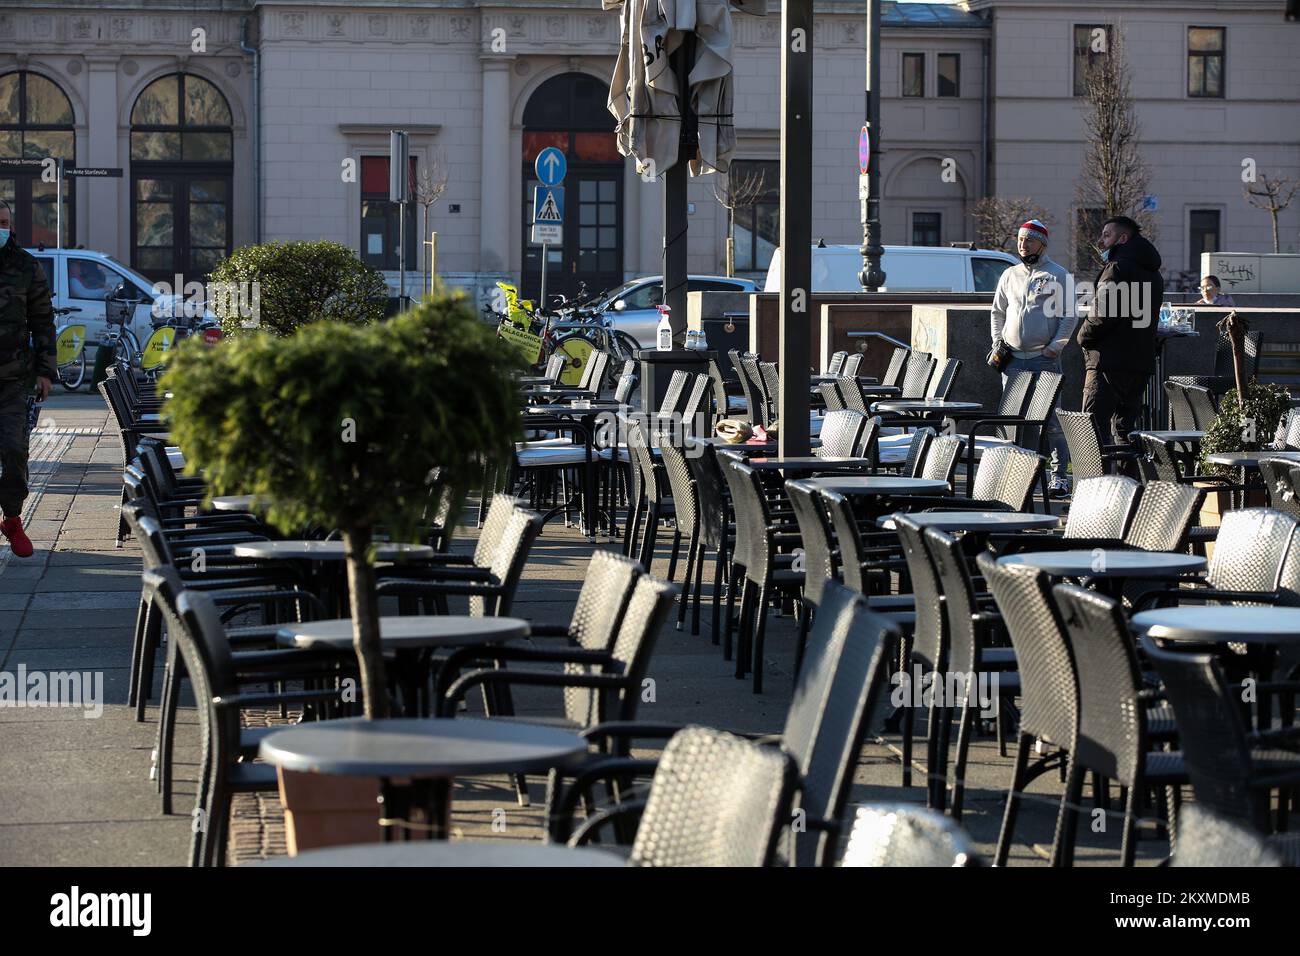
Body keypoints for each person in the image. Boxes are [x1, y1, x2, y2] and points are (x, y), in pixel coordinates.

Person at [989, 218, 1077, 497]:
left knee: (1051, 420)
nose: (1022, 245)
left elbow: (1069, 315)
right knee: (1014, 418)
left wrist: (1055, 347)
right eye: (1019, 240)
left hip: (1044, 359)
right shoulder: (1010, 274)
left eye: (1028, 240)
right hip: (1012, 360)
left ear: (1043, 243)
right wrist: (997, 343)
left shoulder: (1059, 275)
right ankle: (1019, 475)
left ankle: (1059, 476)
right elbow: (997, 312)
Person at [1077, 215, 1165, 455]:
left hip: (1108, 364)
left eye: (1107, 235)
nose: (1101, 241)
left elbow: (1102, 314)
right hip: (1139, 364)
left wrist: (1082, 337)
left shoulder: (1117, 268)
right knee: (1125, 432)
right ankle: (1128, 487)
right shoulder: (1153, 273)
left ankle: (1096, 487)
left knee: (1093, 431)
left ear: (1123, 238)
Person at [0, 199, 56, 557]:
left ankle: (12, 518)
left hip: (14, 378)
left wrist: (46, 371)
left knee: (15, 450)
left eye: (3, 221)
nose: (0, 227)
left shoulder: (25, 265)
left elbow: (43, 321)